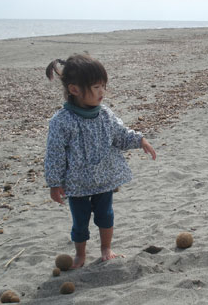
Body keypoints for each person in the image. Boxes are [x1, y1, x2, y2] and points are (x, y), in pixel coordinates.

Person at [44, 54, 156, 268]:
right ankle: (80, 254)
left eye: (103, 86)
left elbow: (120, 135)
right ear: (74, 89)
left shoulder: (105, 114)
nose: (102, 92)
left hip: (104, 178)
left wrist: (140, 139)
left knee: (105, 215)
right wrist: (54, 183)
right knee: (80, 222)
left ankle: (106, 248)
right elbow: (55, 154)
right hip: (77, 184)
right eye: (96, 87)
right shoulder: (62, 121)